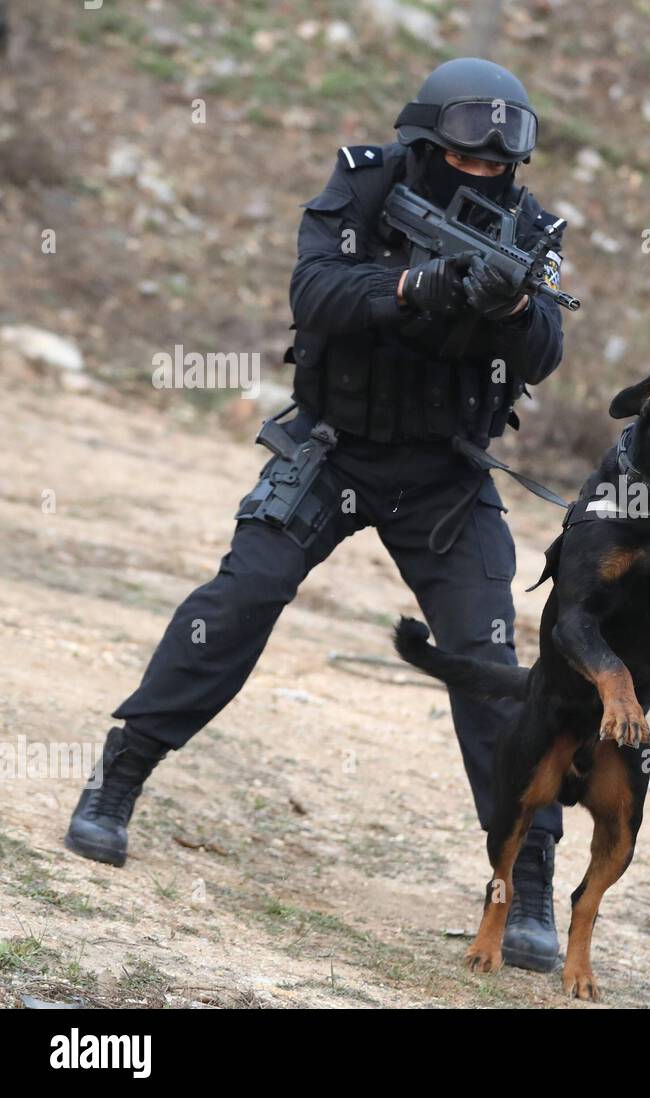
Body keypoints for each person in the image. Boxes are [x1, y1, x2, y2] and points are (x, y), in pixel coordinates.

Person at [65, 57, 570, 973]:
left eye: (502, 166)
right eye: (469, 160)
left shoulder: (528, 231)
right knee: (242, 595)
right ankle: (119, 776)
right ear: (427, 144)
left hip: (445, 475)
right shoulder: (367, 182)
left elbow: (545, 353)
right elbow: (314, 293)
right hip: (333, 448)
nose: (486, 175)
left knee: (490, 662)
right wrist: (417, 288)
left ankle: (523, 877)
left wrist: (507, 304)